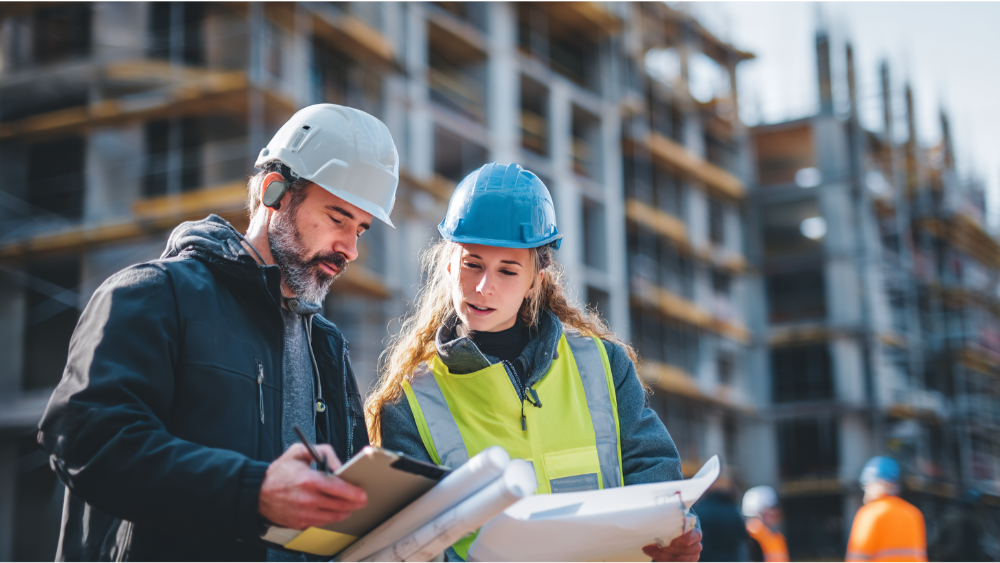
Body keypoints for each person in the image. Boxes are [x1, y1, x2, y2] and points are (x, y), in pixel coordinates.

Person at [37, 104, 399, 563]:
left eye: (361, 230)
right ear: (276, 193)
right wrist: (251, 491)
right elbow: (84, 435)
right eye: (337, 218)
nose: (349, 248)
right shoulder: (154, 295)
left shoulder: (325, 346)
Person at [365, 162, 703, 563]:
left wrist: (669, 535)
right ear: (449, 263)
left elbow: (652, 469)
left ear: (535, 282)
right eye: (472, 264)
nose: (483, 287)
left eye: (507, 271)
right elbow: (415, 544)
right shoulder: (410, 403)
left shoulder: (603, 364)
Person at [846, 457, 927, 563]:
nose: (866, 490)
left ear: (877, 483)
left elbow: (858, 558)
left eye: (866, 485)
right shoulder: (913, 513)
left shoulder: (870, 513)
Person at [695, 481, 750, 563]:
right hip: (732, 559)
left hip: (706, 559)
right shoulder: (733, 510)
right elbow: (743, 535)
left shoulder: (700, 510)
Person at [930, 489, 989, 563]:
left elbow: (936, 538)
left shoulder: (951, 516)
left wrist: (931, 554)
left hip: (951, 559)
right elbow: (983, 544)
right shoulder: (978, 520)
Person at [742, 486, 789, 563]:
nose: (776, 512)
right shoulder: (750, 537)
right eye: (772, 508)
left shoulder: (777, 537)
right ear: (760, 511)